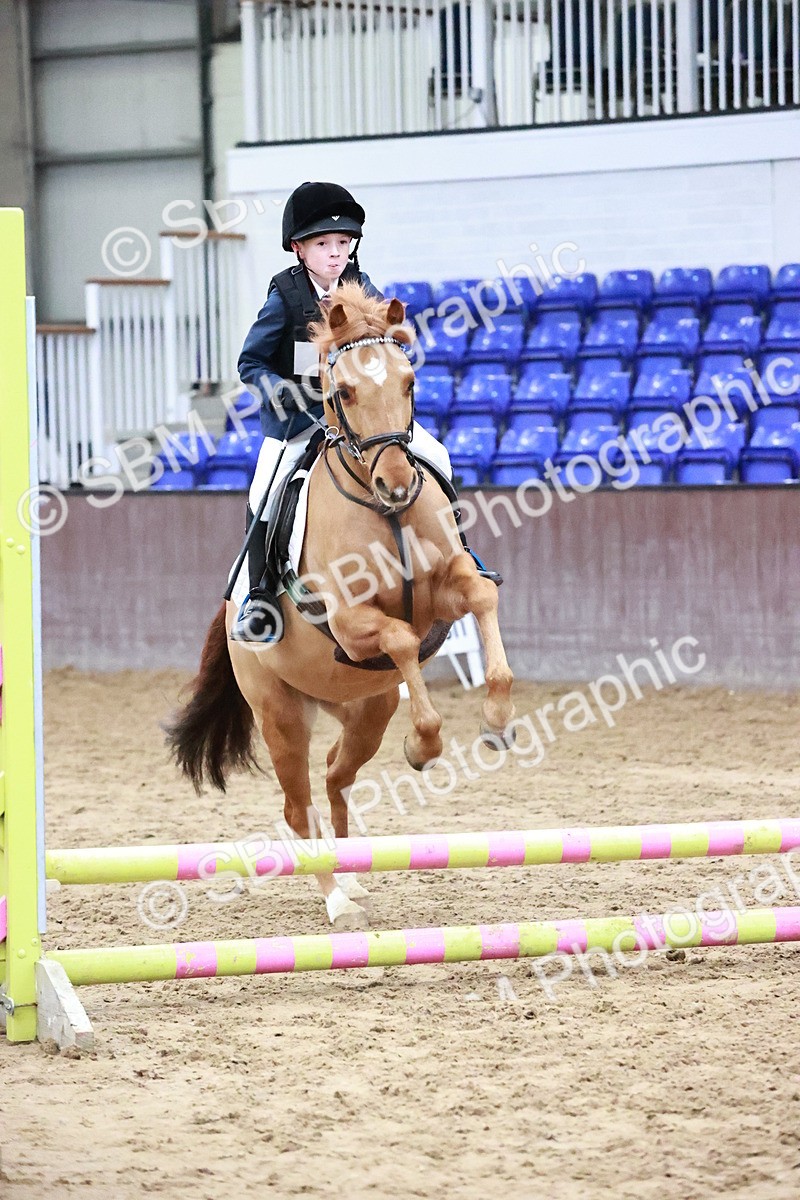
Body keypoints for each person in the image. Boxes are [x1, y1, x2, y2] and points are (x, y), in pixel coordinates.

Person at [232, 180, 492, 644]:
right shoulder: (285, 296)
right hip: (299, 420)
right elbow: (249, 362)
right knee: (264, 493)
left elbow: (383, 346)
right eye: (323, 244)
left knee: (440, 458)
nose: (335, 253)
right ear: (299, 249)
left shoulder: (362, 287)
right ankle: (261, 596)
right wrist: (279, 390)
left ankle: (462, 554)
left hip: (362, 423)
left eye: (343, 243)